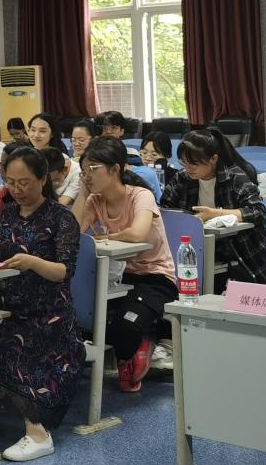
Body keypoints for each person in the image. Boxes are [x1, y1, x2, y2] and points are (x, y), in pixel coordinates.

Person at [0, 146, 83, 461]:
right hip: (7, 306)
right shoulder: (7, 213)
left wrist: (33, 262)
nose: (16, 189)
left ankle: (38, 433)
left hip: (48, 314)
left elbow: (64, 271)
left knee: (12, 343)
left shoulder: (61, 217)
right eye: (10, 182)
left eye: (24, 182)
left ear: (42, 179)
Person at [72, 137, 176, 392]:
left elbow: (137, 234)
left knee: (126, 328)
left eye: (93, 169)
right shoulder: (94, 200)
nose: (87, 176)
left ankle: (145, 339)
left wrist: (106, 237)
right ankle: (134, 345)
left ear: (115, 169)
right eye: (84, 171)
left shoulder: (141, 195)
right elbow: (72, 233)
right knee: (81, 323)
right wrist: (83, 193)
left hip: (155, 277)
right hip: (117, 277)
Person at [161, 129, 266, 285]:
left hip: (244, 255)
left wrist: (215, 213)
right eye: (184, 162)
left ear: (213, 159)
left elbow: (257, 212)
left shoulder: (235, 178)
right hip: (197, 249)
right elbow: (165, 209)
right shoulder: (181, 179)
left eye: (194, 163)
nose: (188, 168)